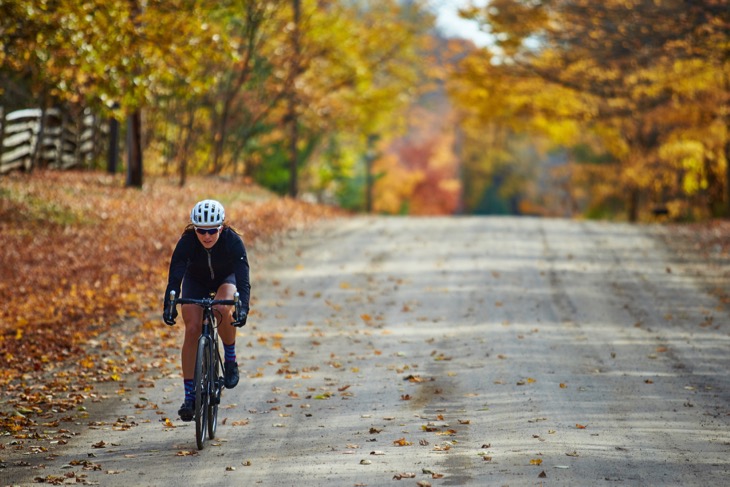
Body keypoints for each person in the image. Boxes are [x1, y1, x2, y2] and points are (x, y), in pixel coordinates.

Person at [162, 199, 251, 421]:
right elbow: (175, 275)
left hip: (225, 279)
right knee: (192, 328)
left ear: (221, 227)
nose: (207, 236)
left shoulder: (232, 240)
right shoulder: (187, 242)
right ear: (195, 229)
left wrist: (243, 308)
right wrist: (169, 304)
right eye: (202, 231)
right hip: (196, 281)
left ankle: (230, 360)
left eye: (212, 230)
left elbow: (243, 278)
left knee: (222, 308)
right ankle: (189, 397)